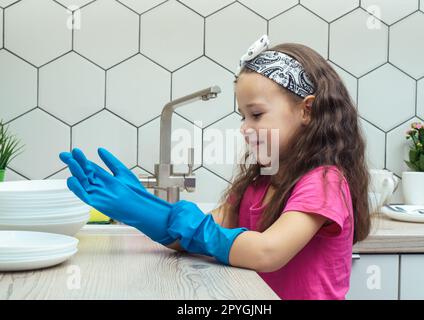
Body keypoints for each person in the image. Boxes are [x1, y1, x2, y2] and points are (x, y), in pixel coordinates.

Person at [60, 35, 371, 300]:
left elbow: (267, 252)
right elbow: (196, 238)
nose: (245, 128)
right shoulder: (258, 184)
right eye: (242, 117)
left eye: (257, 114)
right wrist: (143, 209)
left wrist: (182, 222)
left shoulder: (324, 182)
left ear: (307, 110)